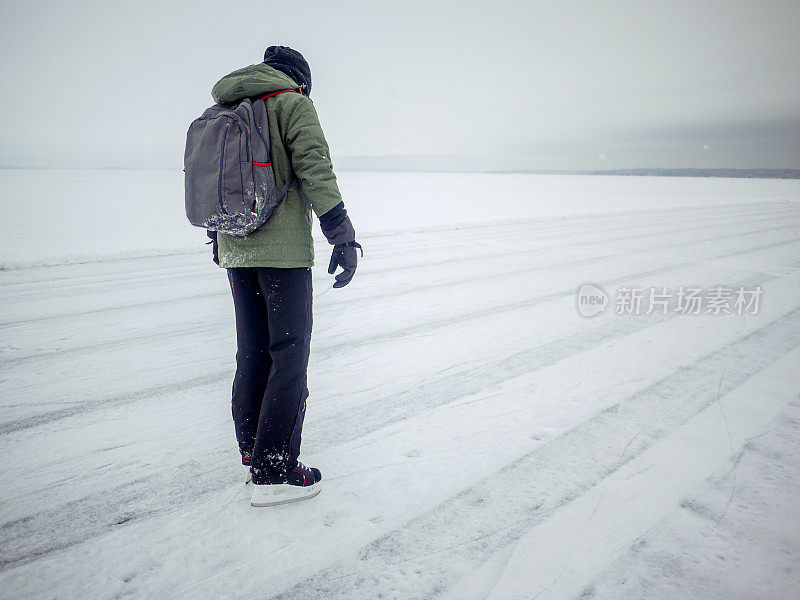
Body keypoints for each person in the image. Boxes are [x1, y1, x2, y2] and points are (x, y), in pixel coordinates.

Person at [206, 46, 361, 507]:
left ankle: (254, 453)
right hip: (283, 253)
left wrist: (219, 238)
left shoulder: (227, 107)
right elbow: (316, 170)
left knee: (252, 352)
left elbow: (215, 180)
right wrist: (342, 235)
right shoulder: (293, 103)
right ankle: (274, 469)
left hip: (235, 246)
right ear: (300, 80)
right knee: (289, 353)